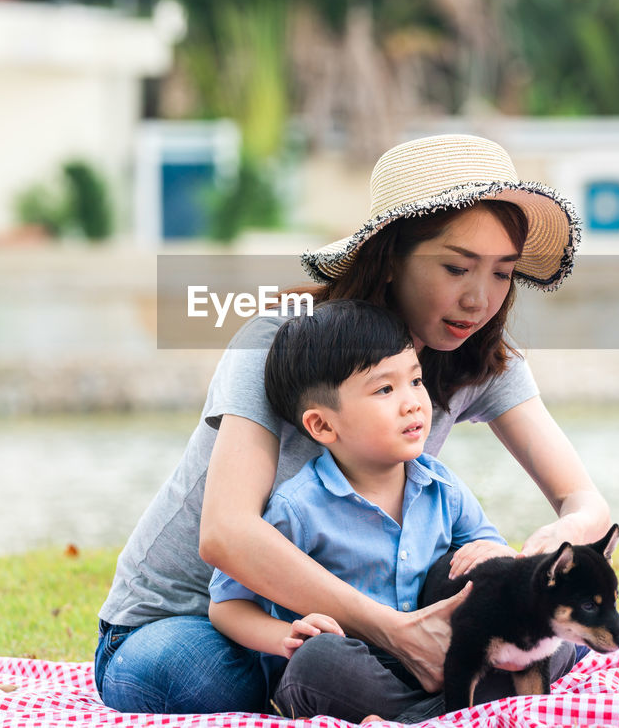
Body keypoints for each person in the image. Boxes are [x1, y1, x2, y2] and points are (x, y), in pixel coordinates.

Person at [95, 133, 611, 714]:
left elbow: (584, 500)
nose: (479, 299)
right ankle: (407, 687)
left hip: (361, 618)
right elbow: (226, 533)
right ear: (390, 259)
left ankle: (393, 687)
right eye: (456, 267)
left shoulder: (479, 360)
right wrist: (392, 630)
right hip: (195, 623)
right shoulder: (278, 343)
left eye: (501, 273)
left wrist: (556, 542)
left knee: (495, 602)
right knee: (203, 678)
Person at [208, 299, 581, 722]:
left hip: (439, 655)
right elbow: (226, 605)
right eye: (385, 389)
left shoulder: (441, 486)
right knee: (319, 661)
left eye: (416, 381)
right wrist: (285, 637)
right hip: (357, 671)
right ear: (323, 426)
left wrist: (491, 553)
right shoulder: (298, 508)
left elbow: (488, 551)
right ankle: (444, 714)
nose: (413, 403)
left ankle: (434, 713)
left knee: (552, 635)